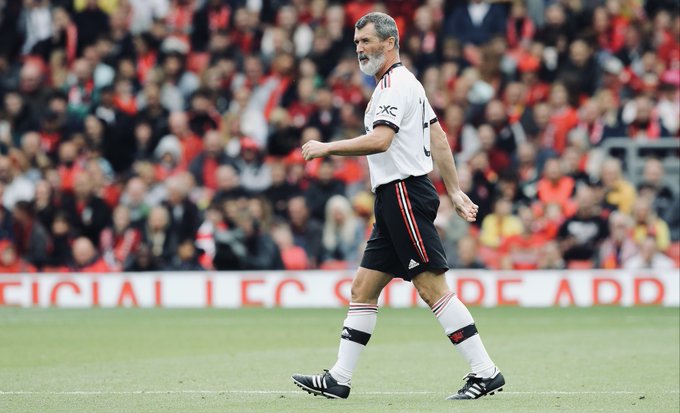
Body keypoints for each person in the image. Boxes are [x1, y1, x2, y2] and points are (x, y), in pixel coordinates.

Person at [292, 12, 503, 401]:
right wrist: (454, 190)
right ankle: (339, 378)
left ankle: (485, 371)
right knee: (363, 287)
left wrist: (328, 147)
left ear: (390, 42)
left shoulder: (393, 86)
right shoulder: (408, 84)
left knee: (431, 288)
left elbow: (381, 140)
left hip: (403, 193)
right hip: (394, 198)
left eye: (367, 41)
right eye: (356, 43)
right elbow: (437, 136)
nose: (360, 49)